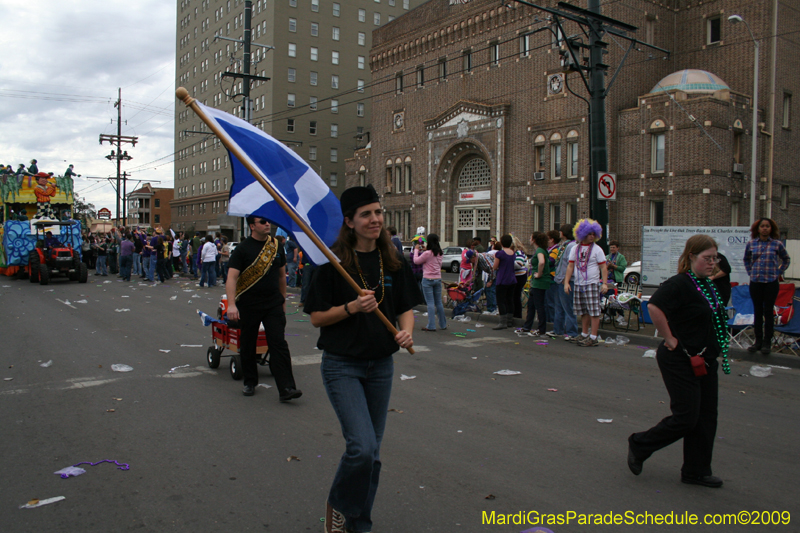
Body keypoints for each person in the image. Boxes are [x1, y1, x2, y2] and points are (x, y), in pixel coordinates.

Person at [304, 184, 420, 533]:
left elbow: (405, 308)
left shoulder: (392, 260)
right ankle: (339, 505)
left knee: (373, 456)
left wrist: (406, 332)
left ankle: (359, 524)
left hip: (381, 366)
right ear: (349, 221)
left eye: (378, 212)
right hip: (342, 365)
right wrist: (352, 307)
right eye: (366, 214)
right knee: (362, 448)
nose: (375, 219)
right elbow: (316, 318)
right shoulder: (331, 262)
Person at [627, 235, 731, 488]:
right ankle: (640, 444)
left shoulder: (709, 285)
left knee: (706, 417)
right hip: (680, 358)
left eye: (715, 258)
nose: (712, 263)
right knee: (687, 416)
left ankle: (696, 471)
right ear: (691, 256)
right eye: (707, 258)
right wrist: (669, 338)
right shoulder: (680, 283)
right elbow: (655, 306)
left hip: (706, 359)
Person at [226, 216, 301, 401]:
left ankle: (286, 388)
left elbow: (282, 276)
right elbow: (232, 278)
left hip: (273, 304)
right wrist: (232, 305)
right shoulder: (242, 249)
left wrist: (283, 301)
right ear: (252, 226)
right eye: (262, 222)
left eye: (268, 221)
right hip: (249, 305)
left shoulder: (275, 246)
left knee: (278, 344)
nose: (267, 224)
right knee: (248, 343)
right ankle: (250, 381)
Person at [743, 218, 791, 355]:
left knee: (768, 312)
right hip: (756, 281)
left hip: (771, 282)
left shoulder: (777, 244)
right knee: (757, 311)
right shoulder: (751, 243)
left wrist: (779, 272)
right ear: (758, 229)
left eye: (767, 226)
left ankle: (767, 342)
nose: (765, 228)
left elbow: (786, 259)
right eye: (762, 226)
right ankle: (757, 341)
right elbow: (746, 259)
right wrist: (750, 272)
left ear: (771, 228)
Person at [563, 219, 608, 347]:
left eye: (594, 234)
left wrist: (604, 283)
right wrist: (566, 282)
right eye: (589, 234)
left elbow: (603, 267)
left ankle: (593, 337)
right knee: (583, 311)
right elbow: (570, 266)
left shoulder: (597, 249)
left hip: (592, 283)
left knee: (594, 311)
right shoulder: (575, 249)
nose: (592, 236)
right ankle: (584, 334)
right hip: (579, 283)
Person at [519, 232, 552, 336]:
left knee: (539, 306)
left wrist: (539, 273)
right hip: (536, 282)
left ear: (534, 240)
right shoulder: (542, 250)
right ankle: (527, 327)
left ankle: (541, 329)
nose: (529, 239)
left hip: (540, 282)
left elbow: (541, 262)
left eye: (530, 237)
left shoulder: (539, 250)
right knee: (531, 305)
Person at [413, 233, 447, 331]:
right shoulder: (440, 252)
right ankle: (443, 324)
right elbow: (434, 259)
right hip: (437, 278)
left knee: (430, 303)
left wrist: (416, 250)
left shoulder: (427, 253)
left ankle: (431, 325)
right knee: (439, 302)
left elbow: (416, 261)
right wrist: (425, 250)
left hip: (427, 279)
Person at [492, 234, 518, 330]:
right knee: (510, 300)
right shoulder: (513, 253)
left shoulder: (500, 254)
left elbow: (495, 267)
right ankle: (509, 320)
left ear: (502, 243)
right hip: (512, 279)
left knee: (501, 301)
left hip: (502, 279)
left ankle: (502, 322)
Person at [605, 240, 629, 326]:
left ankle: (621, 315)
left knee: (617, 299)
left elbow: (622, 268)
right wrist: (607, 266)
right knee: (608, 298)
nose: (612, 249)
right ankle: (609, 314)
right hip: (608, 280)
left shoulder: (621, 257)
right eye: (611, 247)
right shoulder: (607, 257)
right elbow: (602, 268)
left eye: (614, 247)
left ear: (617, 248)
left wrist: (613, 266)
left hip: (617, 281)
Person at [511, 235, 528, 319]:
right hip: (517, 276)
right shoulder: (516, 253)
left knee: (516, 296)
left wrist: (508, 261)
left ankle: (517, 315)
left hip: (519, 276)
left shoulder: (519, 253)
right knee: (514, 296)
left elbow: (519, 264)